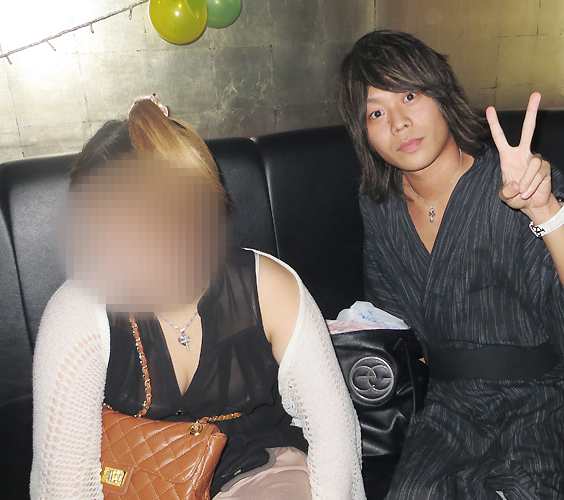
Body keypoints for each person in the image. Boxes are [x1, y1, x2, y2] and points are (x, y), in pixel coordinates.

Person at [337, 30, 564, 499]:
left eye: (409, 95)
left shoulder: (511, 181)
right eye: (375, 112)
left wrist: (542, 209)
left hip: (540, 406)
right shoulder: (378, 205)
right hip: (449, 408)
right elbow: (389, 316)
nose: (398, 123)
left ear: (442, 94)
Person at [30, 95, 365, 500]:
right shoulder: (79, 308)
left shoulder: (268, 286)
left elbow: (333, 431)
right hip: (135, 481)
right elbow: (65, 482)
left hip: (255, 468)